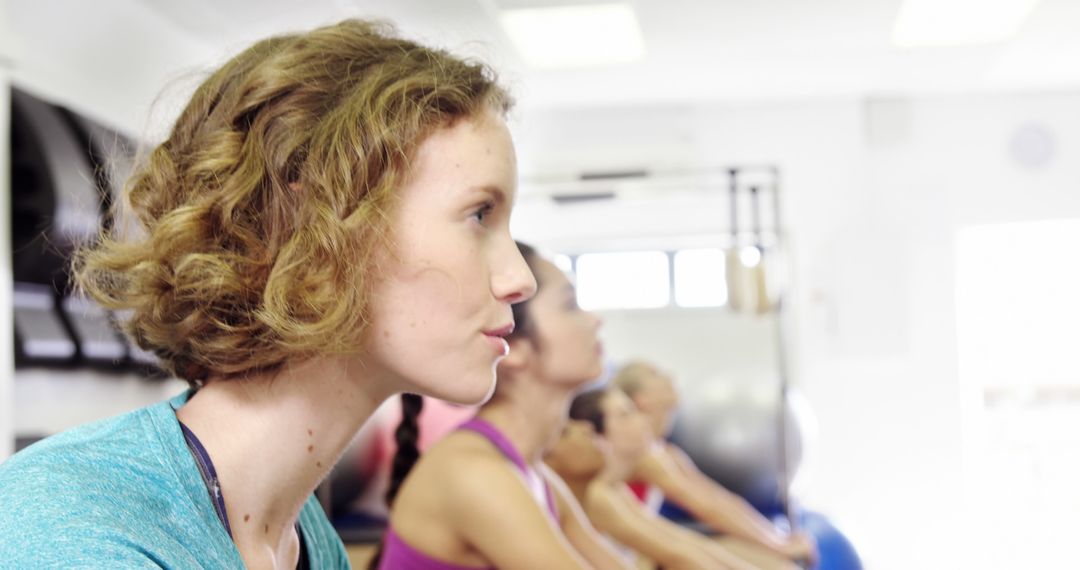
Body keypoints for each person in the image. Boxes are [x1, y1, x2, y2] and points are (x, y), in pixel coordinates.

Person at [0, 19, 536, 568]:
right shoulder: (76, 528)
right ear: (317, 220)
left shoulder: (308, 541)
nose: (521, 278)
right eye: (478, 215)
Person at [374, 245, 629, 569]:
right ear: (513, 347)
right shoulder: (474, 473)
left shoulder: (537, 477)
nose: (595, 320)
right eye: (570, 305)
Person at [549, 388, 797, 570]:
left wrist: (776, 542)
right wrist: (777, 545)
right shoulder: (597, 493)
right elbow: (700, 516)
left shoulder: (619, 483)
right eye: (626, 414)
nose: (643, 419)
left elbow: (704, 511)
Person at [613, 362, 817, 567]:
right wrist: (780, 546)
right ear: (643, 399)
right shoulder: (641, 455)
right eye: (655, 373)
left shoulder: (667, 452)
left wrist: (777, 539)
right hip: (630, 558)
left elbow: (720, 500)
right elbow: (708, 508)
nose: (671, 377)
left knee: (777, 563)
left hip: (646, 551)